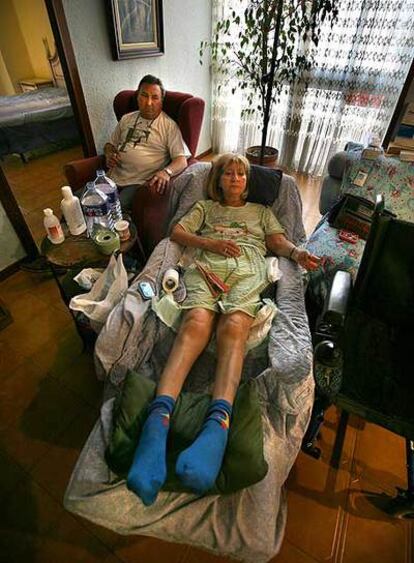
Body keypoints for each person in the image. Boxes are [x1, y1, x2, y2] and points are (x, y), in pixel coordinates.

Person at [127, 153, 321, 506]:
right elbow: (177, 232)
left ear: (248, 181)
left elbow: (277, 243)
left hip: (248, 269)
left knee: (233, 328)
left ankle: (216, 429)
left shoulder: (263, 213)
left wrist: (297, 253)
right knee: (195, 324)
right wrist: (210, 243)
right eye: (228, 173)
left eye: (241, 174)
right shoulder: (205, 207)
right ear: (218, 180)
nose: (235, 178)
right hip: (206, 266)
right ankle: (156, 427)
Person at [104, 74, 190, 210]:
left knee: (109, 209)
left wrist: (166, 172)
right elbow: (110, 145)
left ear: (161, 101)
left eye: (155, 97)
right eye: (144, 96)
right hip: (111, 177)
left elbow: (181, 160)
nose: (149, 103)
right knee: (82, 200)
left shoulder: (169, 126)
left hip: (136, 184)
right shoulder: (126, 119)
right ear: (138, 97)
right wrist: (109, 154)